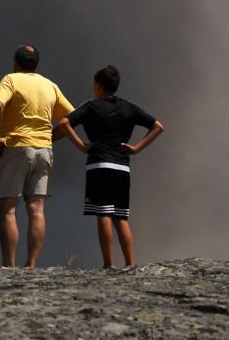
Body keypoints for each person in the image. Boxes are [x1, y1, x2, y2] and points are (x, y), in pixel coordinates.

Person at [53, 65, 164, 268]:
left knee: (103, 214)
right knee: (120, 216)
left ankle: (108, 265)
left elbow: (64, 124)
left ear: (99, 85)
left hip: (99, 164)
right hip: (122, 166)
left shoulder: (91, 106)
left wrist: (82, 146)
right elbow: (158, 126)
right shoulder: (129, 107)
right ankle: (130, 265)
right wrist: (137, 148)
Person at [0, 44, 74, 267]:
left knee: (8, 208)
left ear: (16, 62)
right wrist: (50, 137)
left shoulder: (12, 80)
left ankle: (9, 265)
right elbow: (70, 118)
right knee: (36, 208)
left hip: (17, 147)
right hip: (44, 150)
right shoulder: (49, 85)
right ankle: (31, 264)